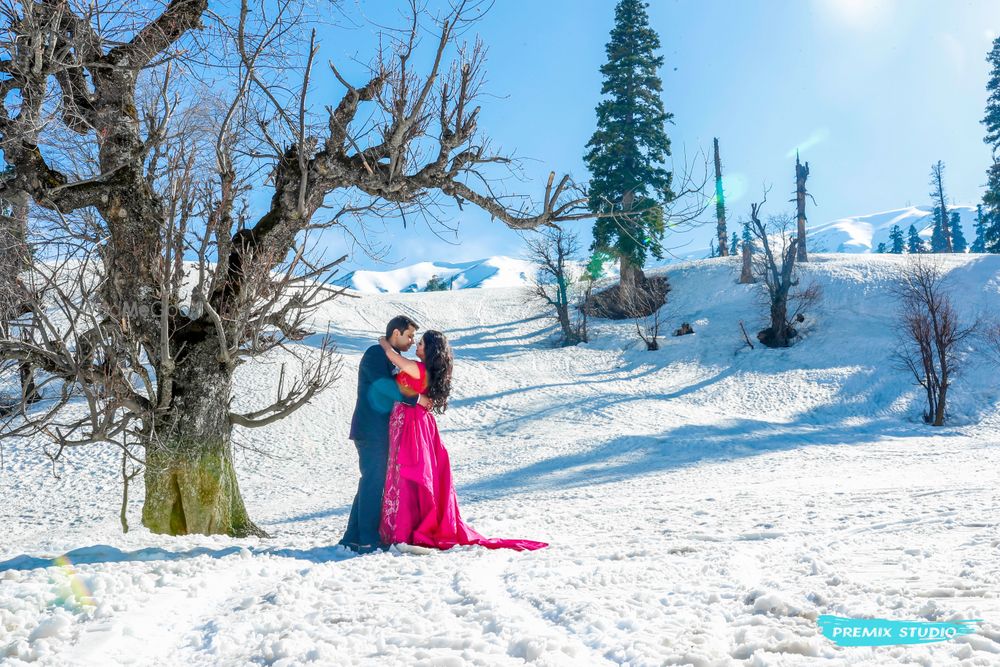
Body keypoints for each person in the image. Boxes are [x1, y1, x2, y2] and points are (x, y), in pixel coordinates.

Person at [377, 329, 547, 552]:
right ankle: (406, 527)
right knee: (410, 471)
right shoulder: (425, 369)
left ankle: (404, 529)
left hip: (411, 424)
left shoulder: (417, 368)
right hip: (415, 421)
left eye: (421, 344)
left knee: (408, 470)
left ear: (430, 350)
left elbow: (392, 356)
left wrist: (384, 342)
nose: (417, 347)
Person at [339, 315, 433, 554]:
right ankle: (369, 539)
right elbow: (385, 386)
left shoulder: (389, 356)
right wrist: (418, 398)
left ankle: (353, 537)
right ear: (396, 333)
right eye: (409, 335)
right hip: (370, 430)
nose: (412, 341)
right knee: (373, 482)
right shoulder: (374, 354)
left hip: (381, 431)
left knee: (370, 482)